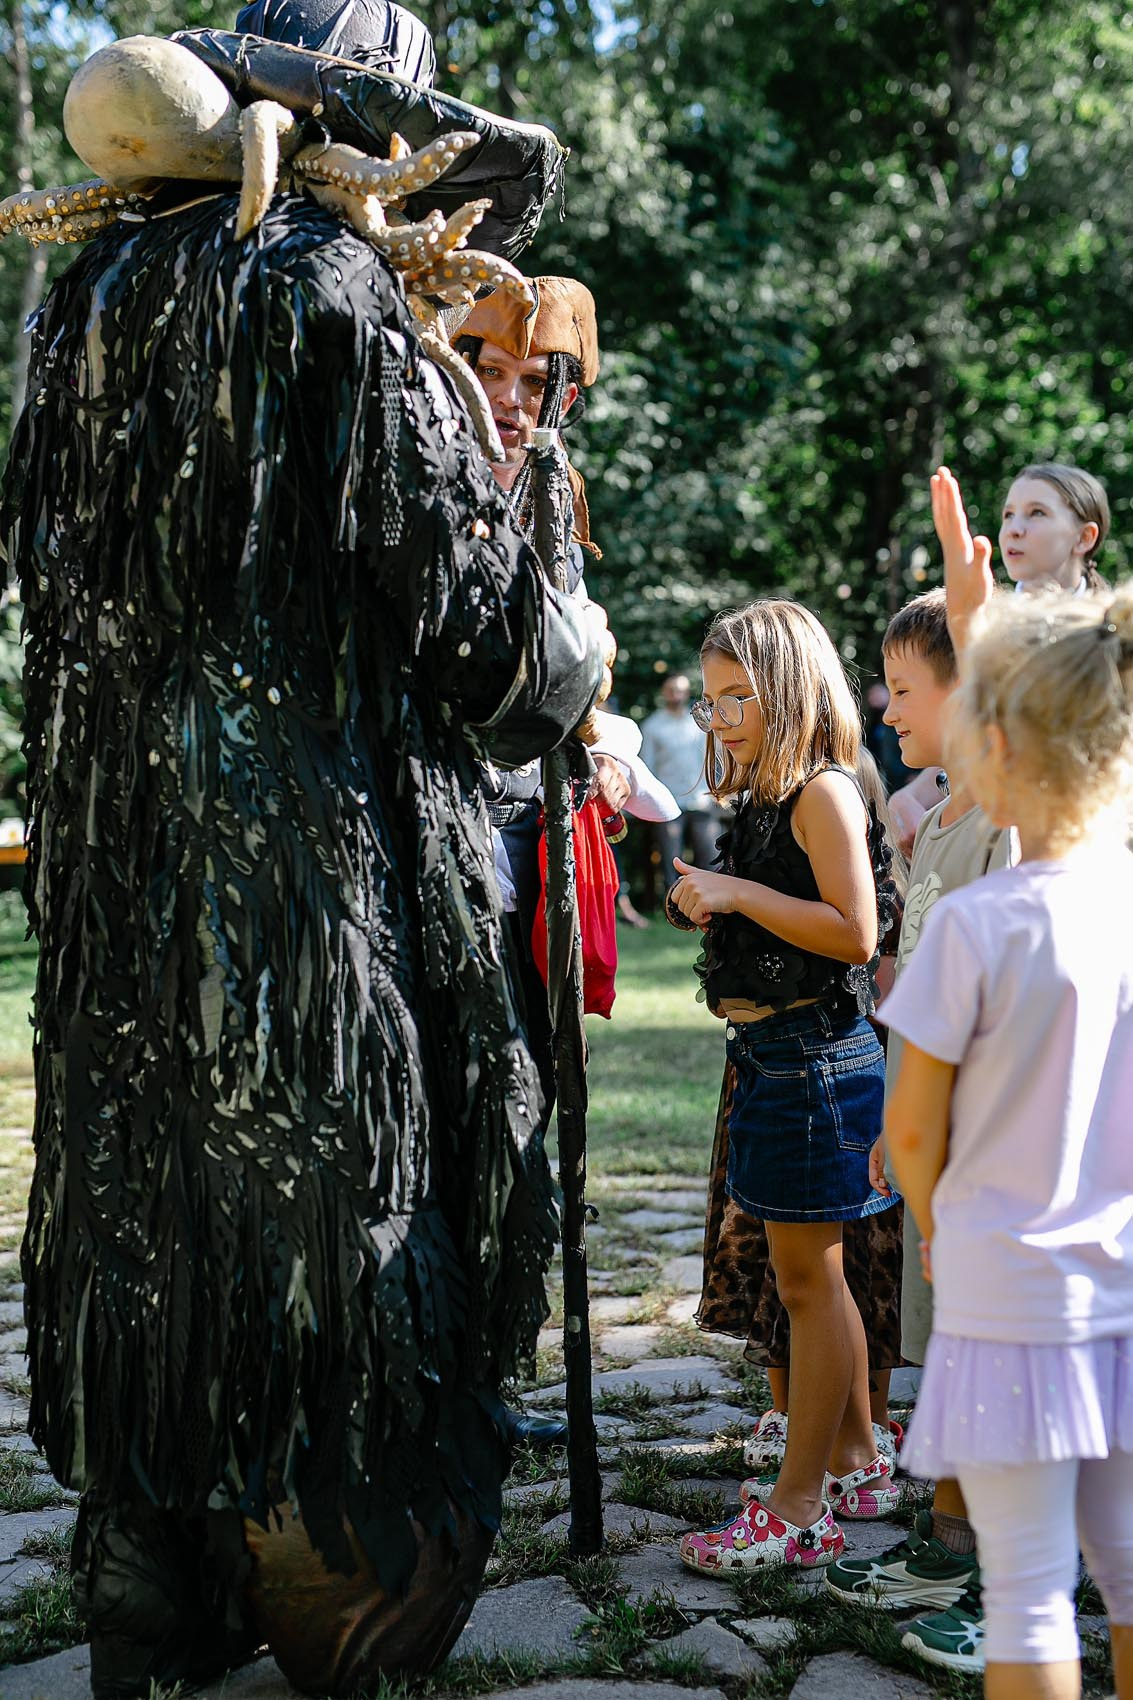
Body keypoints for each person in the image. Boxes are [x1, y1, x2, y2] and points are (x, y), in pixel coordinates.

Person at [0, 7, 604, 1697]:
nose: (455, 239)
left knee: (148, 1213)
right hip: (310, 883)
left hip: (127, 894)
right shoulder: (325, 295)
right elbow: (471, 636)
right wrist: (567, 637)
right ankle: (337, 1604)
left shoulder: (84, 304)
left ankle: (154, 1595)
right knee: (339, 1229)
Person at [881, 584, 1133, 1700]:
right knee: (1126, 1568)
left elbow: (910, 1123)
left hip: (1001, 1299)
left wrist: (934, 1226)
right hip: (1121, 1293)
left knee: (1026, 1586)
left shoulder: (974, 924)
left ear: (989, 740)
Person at [668, 600, 901, 1576]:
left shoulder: (821, 791)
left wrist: (733, 894)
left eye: (736, 697)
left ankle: (799, 1508)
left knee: (810, 1283)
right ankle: (852, 1458)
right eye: (710, 697)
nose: (717, 716)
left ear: (788, 689)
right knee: (814, 1279)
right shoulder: (770, 796)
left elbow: (854, 934)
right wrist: (714, 904)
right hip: (773, 1061)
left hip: (814, 1061)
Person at [824, 587, 1013, 1675]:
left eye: (903, 691)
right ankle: (947, 1540)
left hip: (987, 1141)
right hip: (928, 1130)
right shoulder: (933, 815)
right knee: (942, 1344)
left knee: (985, 1351)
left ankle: (1003, 1562)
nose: (883, 710)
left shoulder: (1006, 822)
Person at [640, 673, 720, 888]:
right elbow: (646, 767)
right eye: (671, 690)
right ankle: (673, 907)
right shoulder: (652, 726)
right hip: (669, 802)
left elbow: (715, 758)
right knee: (671, 859)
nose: (676, 695)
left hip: (701, 799)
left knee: (711, 856)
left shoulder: (701, 722)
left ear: (687, 692)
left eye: (681, 690)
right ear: (664, 692)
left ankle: (712, 905)